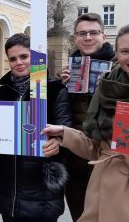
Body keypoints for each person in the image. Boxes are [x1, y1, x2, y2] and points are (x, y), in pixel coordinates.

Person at [43, 24, 129, 222]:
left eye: (93, 33)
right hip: (99, 195)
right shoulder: (108, 87)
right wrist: (64, 132)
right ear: (117, 53)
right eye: (125, 51)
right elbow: (98, 148)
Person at [0, 33, 72, 222]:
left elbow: (66, 130)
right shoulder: (1, 92)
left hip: (42, 191)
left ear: (34, 58)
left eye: (24, 57)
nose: (19, 62)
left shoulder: (55, 90)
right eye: (13, 59)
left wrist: (58, 141)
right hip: (9, 191)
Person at [59, 13, 115, 221]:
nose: (88, 37)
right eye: (82, 33)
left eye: (93, 32)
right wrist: (62, 87)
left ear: (104, 36)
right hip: (75, 163)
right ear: (75, 39)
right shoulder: (69, 69)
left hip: (108, 162)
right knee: (79, 215)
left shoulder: (119, 69)